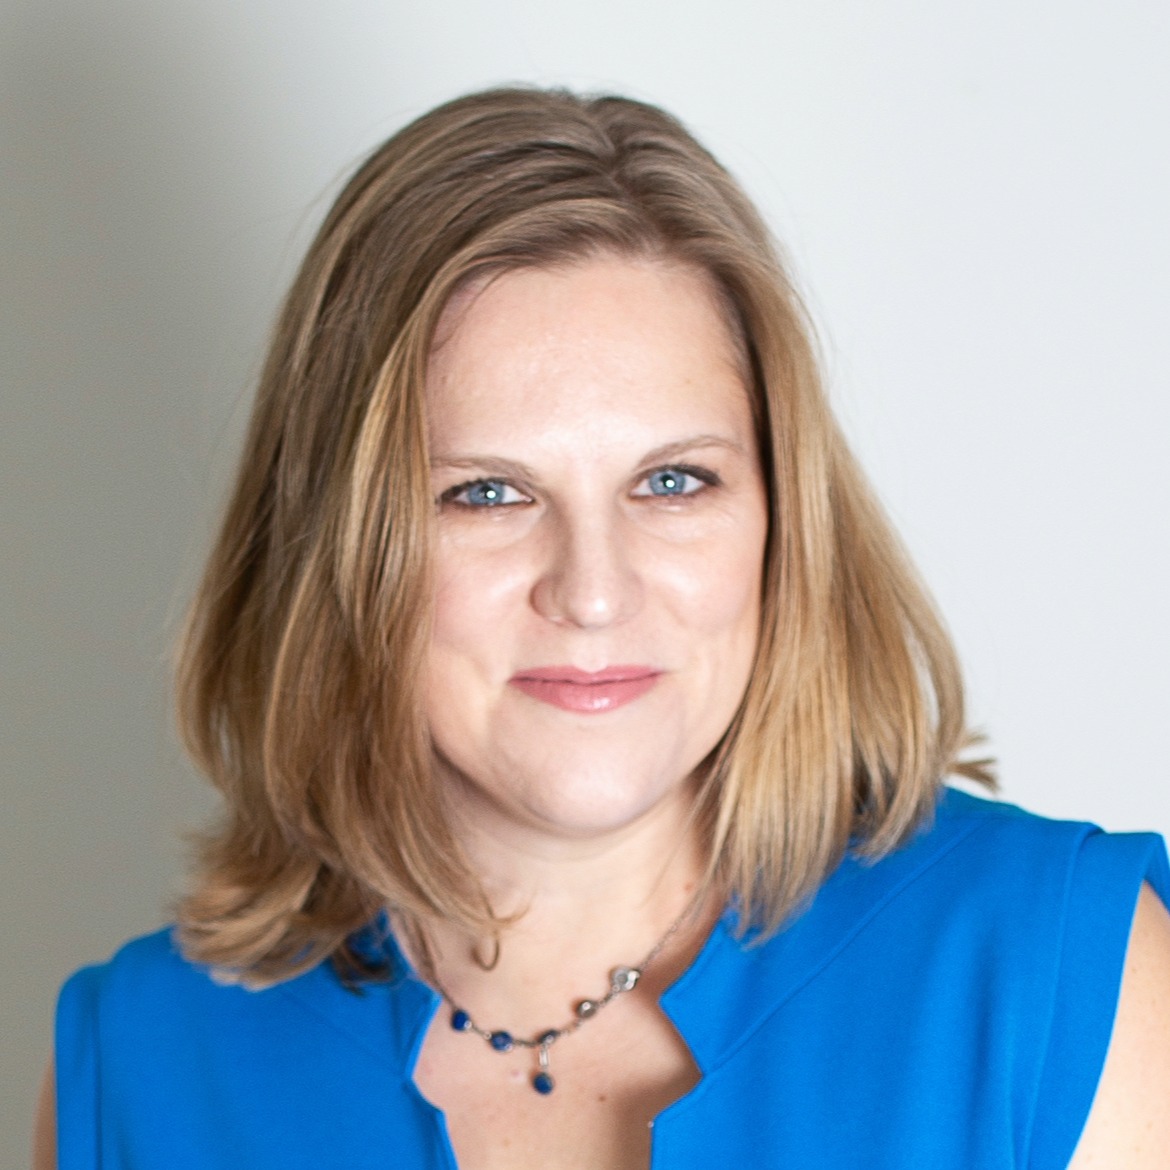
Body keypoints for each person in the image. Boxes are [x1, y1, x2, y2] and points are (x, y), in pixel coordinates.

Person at [36, 86, 1170, 1170]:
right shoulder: (136, 1064)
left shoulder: (1055, 970)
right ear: (337, 546)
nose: (592, 592)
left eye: (673, 481)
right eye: (486, 493)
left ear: (784, 519)